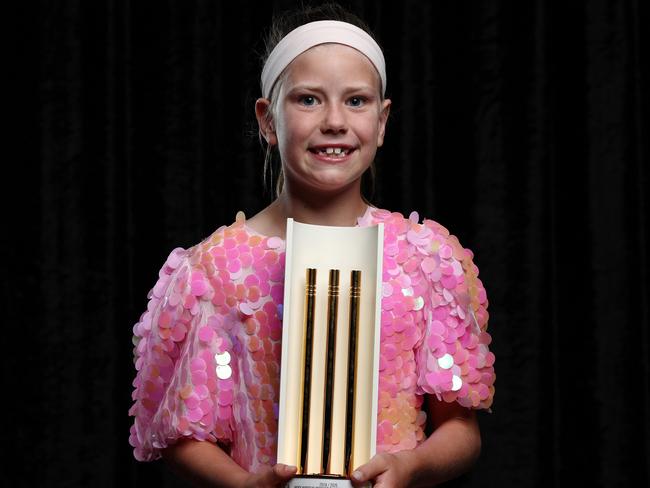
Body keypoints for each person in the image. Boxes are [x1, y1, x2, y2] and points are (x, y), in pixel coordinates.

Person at [129, 3, 495, 487]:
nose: (335, 121)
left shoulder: (425, 259)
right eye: (308, 100)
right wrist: (245, 484)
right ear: (267, 120)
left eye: (357, 101)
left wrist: (412, 466)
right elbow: (183, 436)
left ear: (382, 122)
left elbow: (460, 427)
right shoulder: (213, 270)